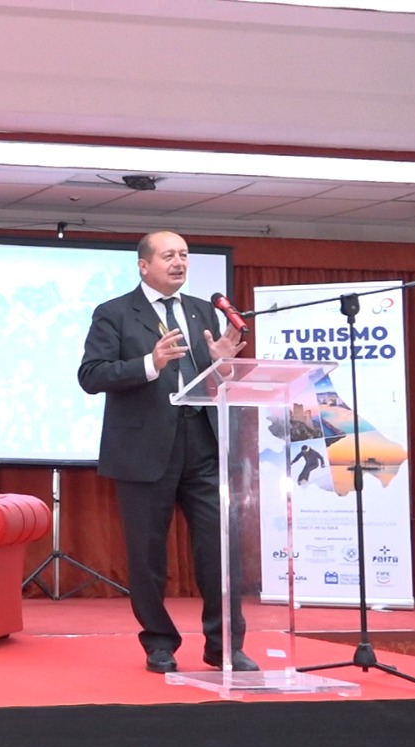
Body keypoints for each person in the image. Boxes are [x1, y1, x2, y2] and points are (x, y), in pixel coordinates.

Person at [77, 231, 256, 674]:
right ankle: (159, 643)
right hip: (143, 449)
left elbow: (211, 381)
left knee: (220, 550)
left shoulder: (202, 311)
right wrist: (149, 363)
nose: (179, 262)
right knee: (147, 556)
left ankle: (225, 646)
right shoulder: (115, 313)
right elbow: (91, 375)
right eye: (169, 256)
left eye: (184, 255)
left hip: (203, 444)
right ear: (144, 266)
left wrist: (222, 365)